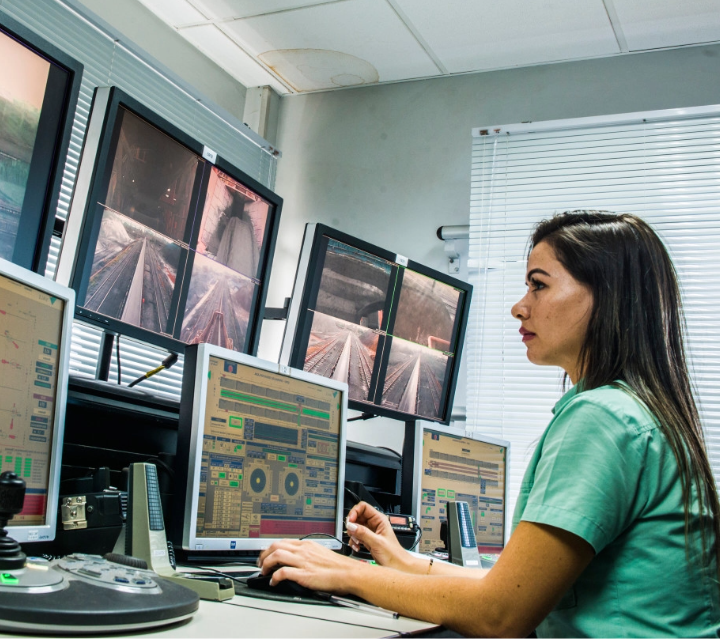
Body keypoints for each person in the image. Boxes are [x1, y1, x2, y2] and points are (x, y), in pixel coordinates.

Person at [259, 211, 720, 638]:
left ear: (606, 297)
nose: (519, 307)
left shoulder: (603, 420)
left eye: (538, 286)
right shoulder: (640, 412)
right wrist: (399, 560)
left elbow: (501, 612)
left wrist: (344, 573)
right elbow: (510, 586)